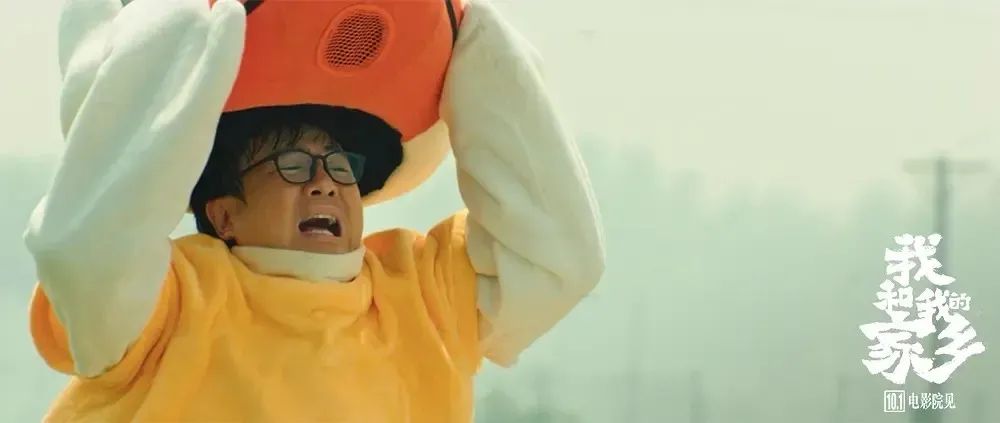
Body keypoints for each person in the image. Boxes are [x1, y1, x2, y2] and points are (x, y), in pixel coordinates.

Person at [24, 0, 605, 421]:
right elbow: (87, 254)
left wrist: (478, 44)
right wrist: (172, 39)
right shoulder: (176, 299)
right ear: (223, 214)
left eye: (341, 165)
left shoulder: (421, 296)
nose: (326, 182)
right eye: (293, 165)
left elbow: (560, 257)